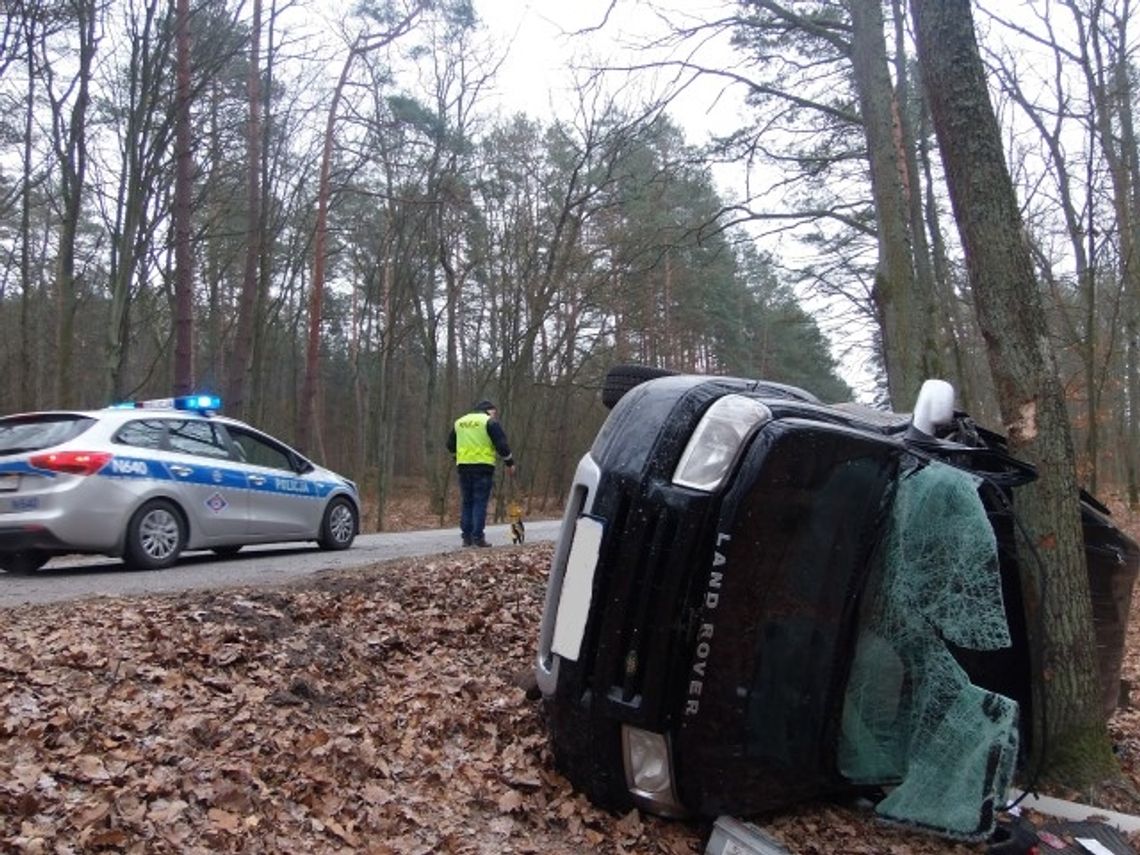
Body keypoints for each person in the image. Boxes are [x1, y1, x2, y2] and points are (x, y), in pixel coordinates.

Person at [447, 399, 516, 547]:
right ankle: (478, 537)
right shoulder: (489, 422)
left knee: (467, 502)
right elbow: (502, 445)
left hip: (464, 467)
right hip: (483, 467)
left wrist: (457, 457)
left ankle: (466, 538)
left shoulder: (460, 422)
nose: (495, 415)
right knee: (480, 502)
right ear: (489, 410)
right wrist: (509, 463)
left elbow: (450, 444)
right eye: (494, 412)